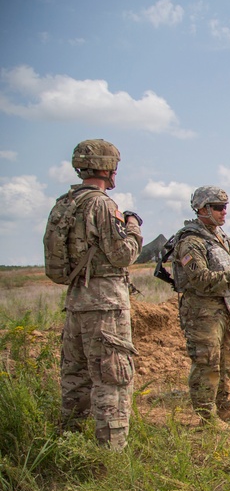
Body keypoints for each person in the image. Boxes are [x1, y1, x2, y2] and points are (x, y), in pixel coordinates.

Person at [47, 140, 142, 451]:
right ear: (108, 167)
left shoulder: (64, 203)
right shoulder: (101, 204)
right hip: (106, 305)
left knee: (75, 379)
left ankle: (69, 446)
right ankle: (111, 457)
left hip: (76, 303)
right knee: (112, 379)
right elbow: (122, 254)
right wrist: (133, 228)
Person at [171, 186, 230, 424]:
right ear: (202, 209)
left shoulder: (219, 235)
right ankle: (207, 416)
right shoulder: (190, 241)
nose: (224, 212)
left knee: (229, 359)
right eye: (218, 207)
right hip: (202, 312)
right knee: (207, 363)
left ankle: (225, 406)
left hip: (225, 308)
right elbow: (200, 279)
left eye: (225, 207)